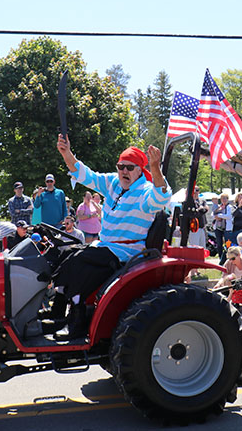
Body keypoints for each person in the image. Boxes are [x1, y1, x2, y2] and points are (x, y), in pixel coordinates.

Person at [54, 134, 171, 340]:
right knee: (61, 252)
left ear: (140, 170)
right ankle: (56, 313)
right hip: (105, 246)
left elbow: (161, 197)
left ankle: (77, 320)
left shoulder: (145, 192)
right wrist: (66, 153)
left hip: (126, 251)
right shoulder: (113, 184)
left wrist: (156, 168)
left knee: (79, 262)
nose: (124, 171)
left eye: (130, 167)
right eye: (120, 166)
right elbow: (85, 175)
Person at [212, 193, 233, 264]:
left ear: (227, 199)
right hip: (218, 227)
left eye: (225, 198)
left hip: (227, 228)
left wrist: (219, 215)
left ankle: (228, 257)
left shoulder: (229, 207)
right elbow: (213, 214)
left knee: (228, 243)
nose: (223, 200)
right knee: (219, 243)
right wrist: (216, 216)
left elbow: (229, 216)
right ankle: (220, 258)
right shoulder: (219, 207)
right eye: (222, 198)